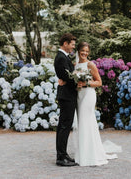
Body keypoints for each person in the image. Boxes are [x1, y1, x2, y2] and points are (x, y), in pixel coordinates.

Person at [60, 42, 121, 166]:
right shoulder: (75, 65)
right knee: (82, 123)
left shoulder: (90, 64)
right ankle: (83, 152)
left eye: (87, 51)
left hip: (88, 95)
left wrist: (86, 84)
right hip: (79, 96)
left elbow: (99, 82)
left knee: (87, 121)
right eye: (83, 50)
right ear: (78, 51)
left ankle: (91, 154)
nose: (85, 53)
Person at [54, 33, 78, 167]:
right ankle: (61, 157)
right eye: (72, 44)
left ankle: (64, 154)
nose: (73, 47)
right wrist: (80, 83)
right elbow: (68, 77)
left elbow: (68, 75)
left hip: (67, 95)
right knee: (64, 126)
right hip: (67, 96)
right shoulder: (61, 58)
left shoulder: (64, 57)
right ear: (65, 43)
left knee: (65, 126)